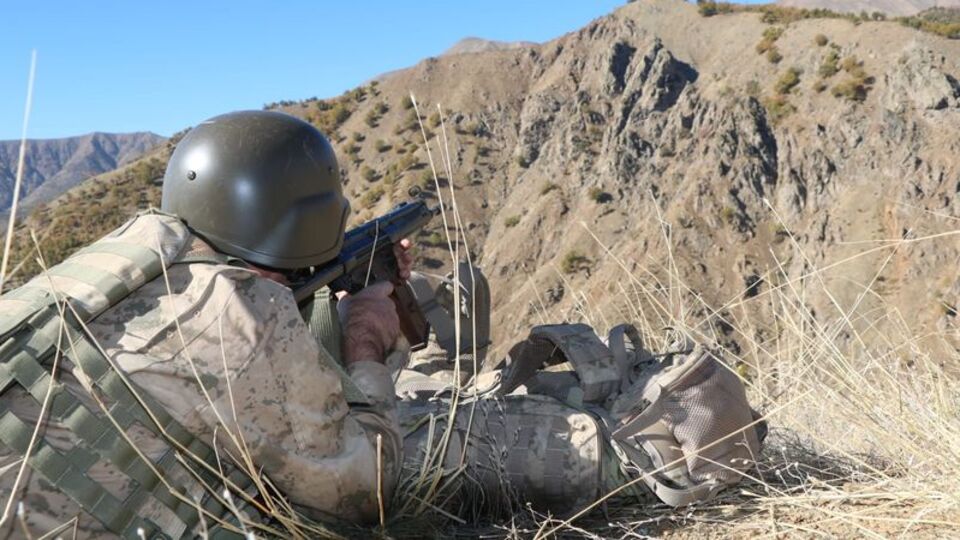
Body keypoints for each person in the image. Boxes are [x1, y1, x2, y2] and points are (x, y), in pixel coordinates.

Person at [0, 110, 763, 539]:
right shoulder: (243, 316)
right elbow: (360, 488)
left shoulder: (115, 262)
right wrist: (367, 349)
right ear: (305, 224)